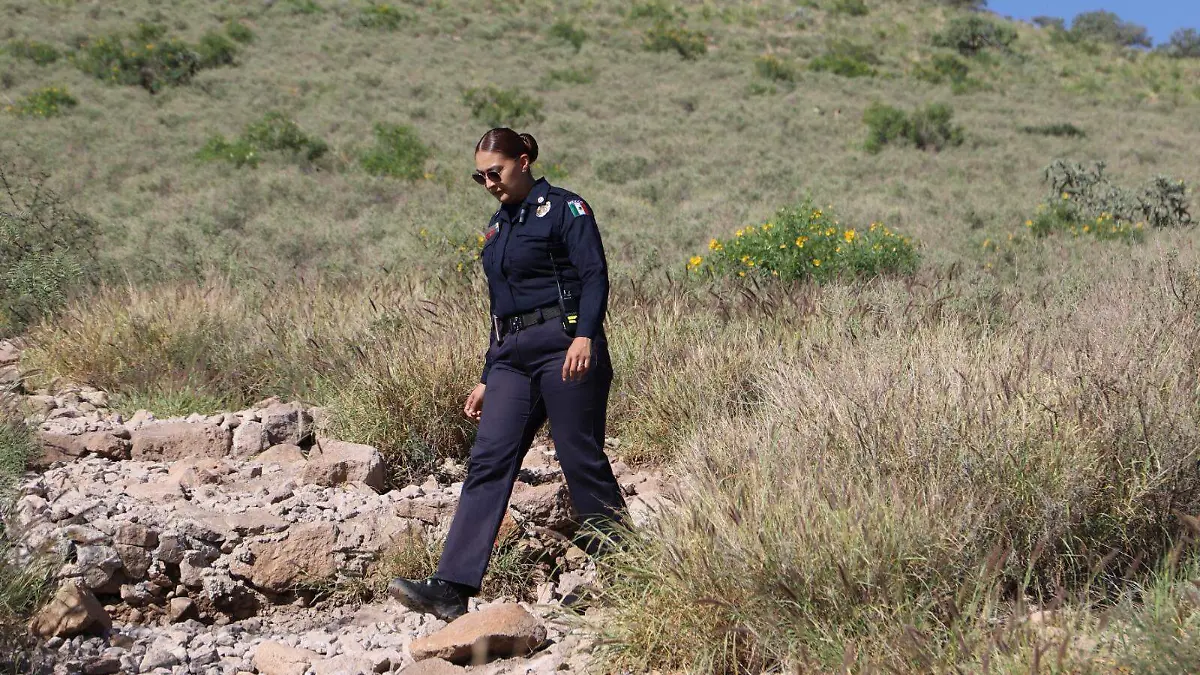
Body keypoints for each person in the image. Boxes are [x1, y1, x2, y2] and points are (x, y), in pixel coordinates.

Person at [388, 128, 628, 621]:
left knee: (578, 456)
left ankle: (629, 573)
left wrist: (585, 335)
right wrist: (487, 372)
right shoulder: (497, 228)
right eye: (480, 177)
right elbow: (500, 309)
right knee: (488, 460)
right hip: (511, 359)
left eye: (494, 172)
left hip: (564, 348)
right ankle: (452, 586)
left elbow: (594, 275)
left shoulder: (565, 209)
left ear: (523, 161)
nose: (488, 183)